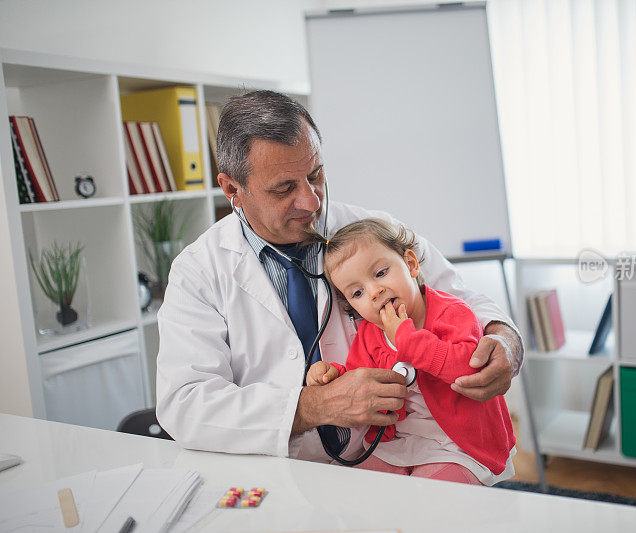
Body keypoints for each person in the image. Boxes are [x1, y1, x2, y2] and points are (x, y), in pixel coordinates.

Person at [156, 90, 523, 464]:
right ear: (233, 189)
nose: (311, 201)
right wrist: (312, 406)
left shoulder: (370, 232)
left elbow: (465, 302)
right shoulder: (199, 271)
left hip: (395, 456)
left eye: (315, 175)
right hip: (279, 474)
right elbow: (185, 405)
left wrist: (505, 343)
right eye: (284, 189)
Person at [306, 219, 516, 485]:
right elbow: (362, 378)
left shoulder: (452, 313)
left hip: (457, 445)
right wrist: (335, 375)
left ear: (411, 264)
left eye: (380, 273)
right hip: (401, 442)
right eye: (357, 292)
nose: (374, 291)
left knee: (429, 500)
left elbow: (469, 369)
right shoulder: (370, 334)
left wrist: (406, 338)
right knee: (361, 489)